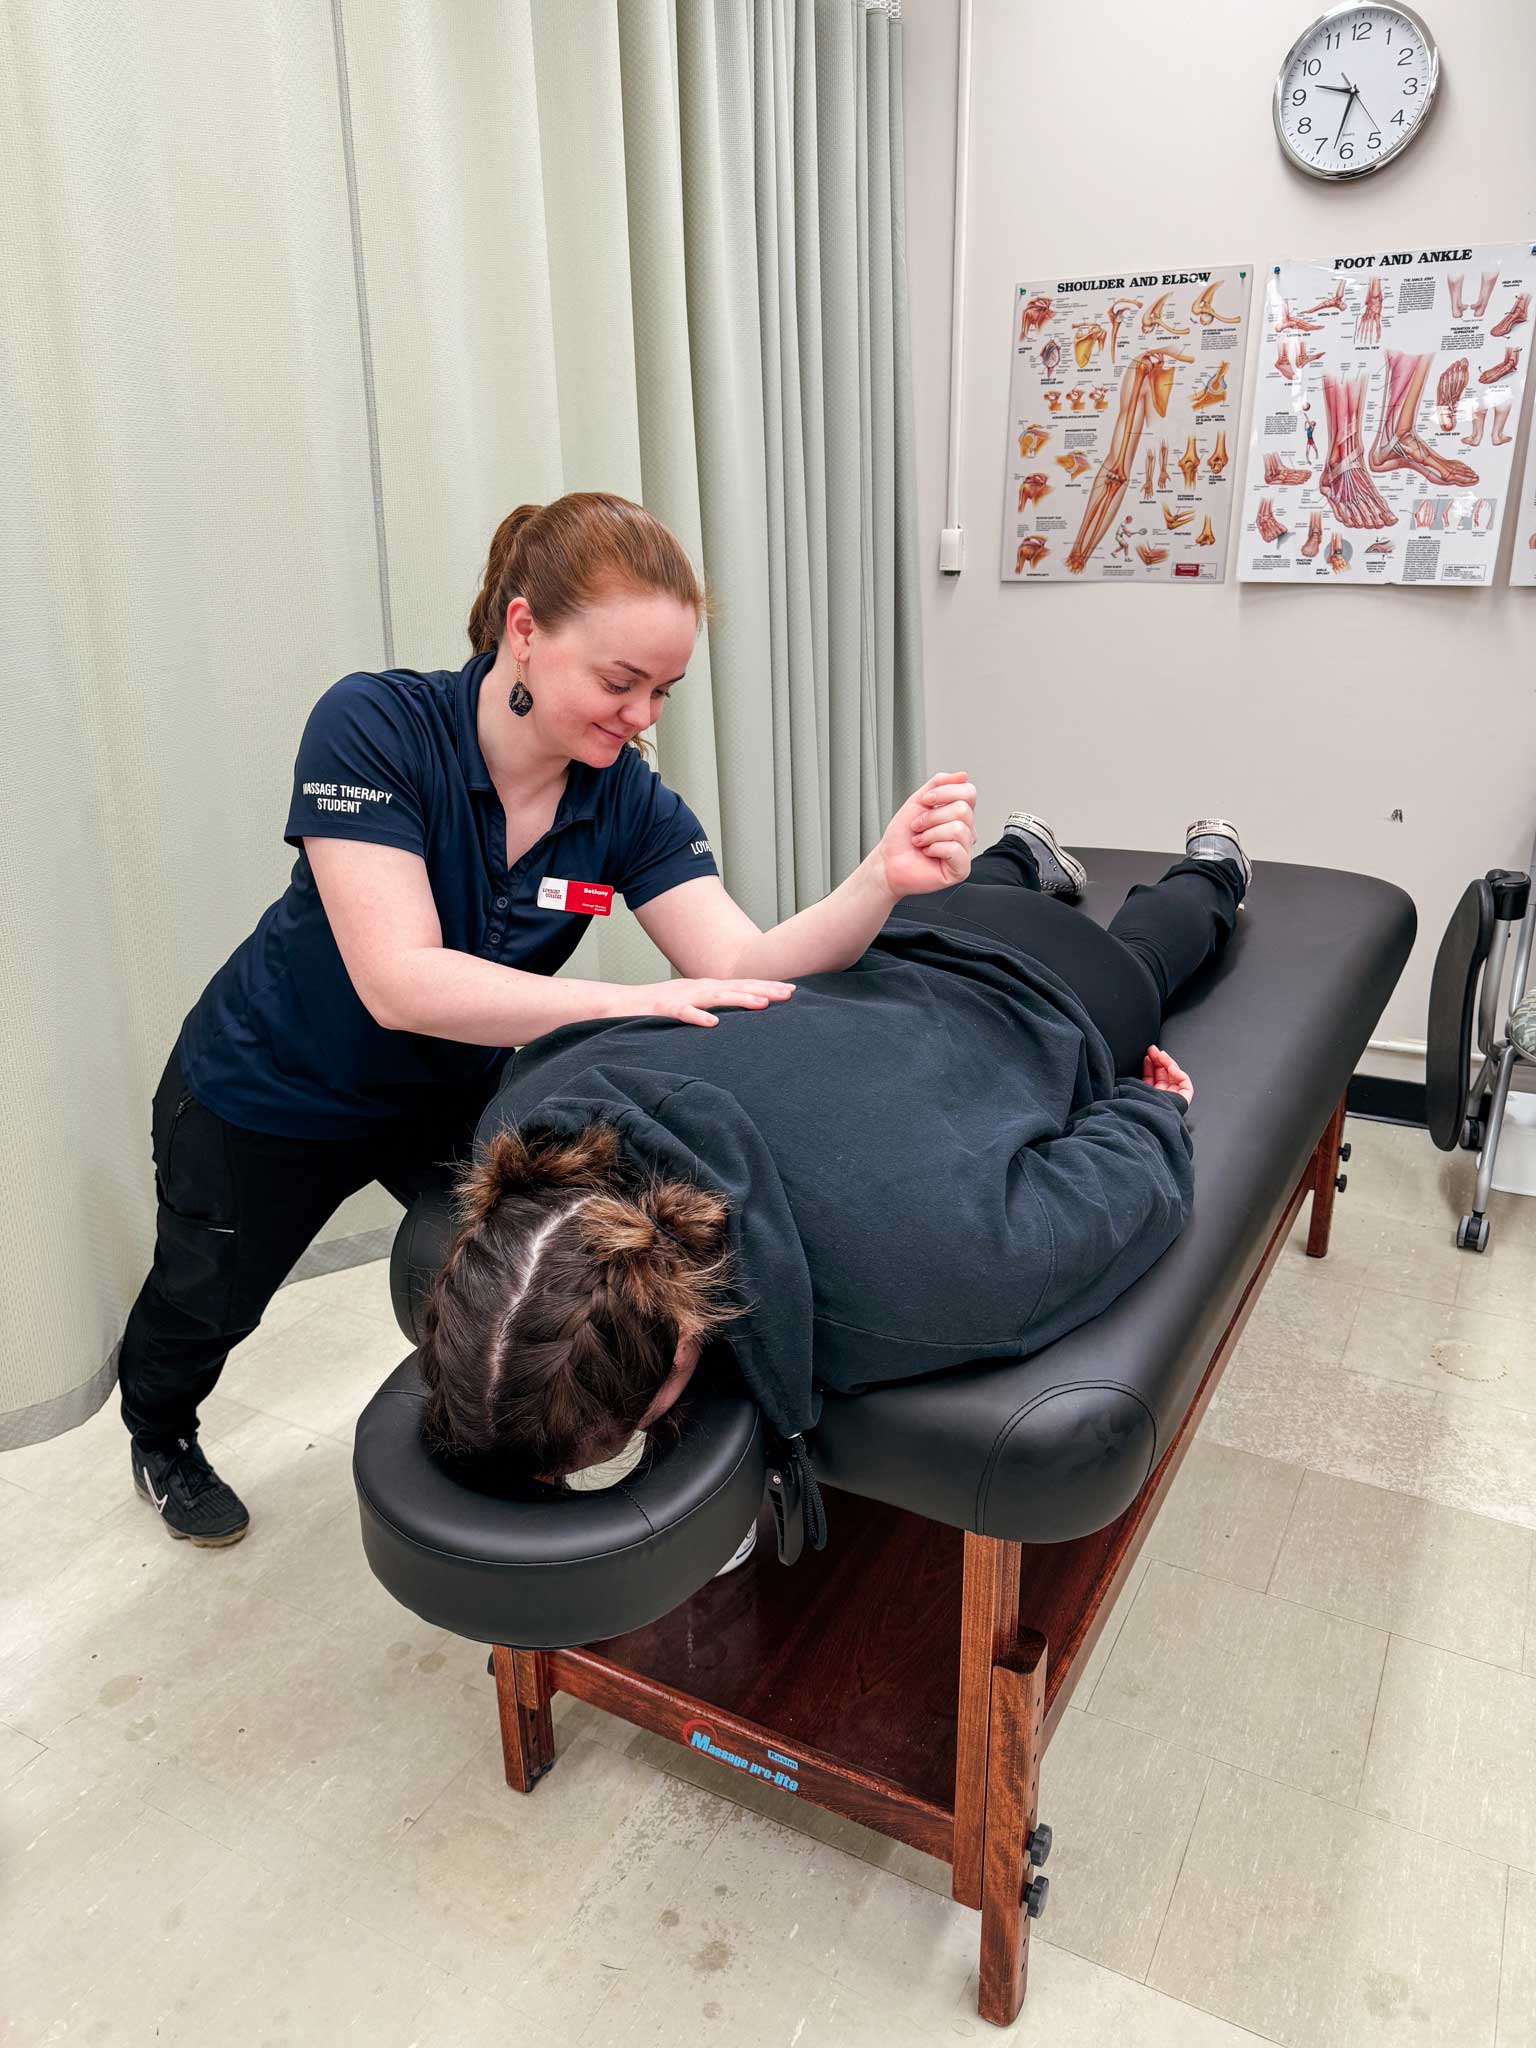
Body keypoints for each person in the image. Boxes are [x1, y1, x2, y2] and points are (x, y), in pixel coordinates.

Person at [119, 491, 978, 1546]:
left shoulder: (621, 799)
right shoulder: (376, 725)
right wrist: (627, 1000)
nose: (643, 715)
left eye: (663, 689)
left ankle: (532, 1436)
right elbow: (400, 979)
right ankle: (159, 1435)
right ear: (524, 631)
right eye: (620, 682)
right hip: (271, 1086)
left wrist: (876, 882)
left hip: (447, 1093)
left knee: (530, 1274)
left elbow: (742, 963)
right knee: (209, 1299)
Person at [414, 813, 1251, 1571]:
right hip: (884, 943)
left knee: (1142, 959)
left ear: (679, 1351)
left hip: (1045, 983)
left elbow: (1101, 1196)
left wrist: (1154, 1112)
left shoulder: (916, 1279)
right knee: (982, 889)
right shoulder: (521, 1114)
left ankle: (1210, 873)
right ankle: (1018, 851)